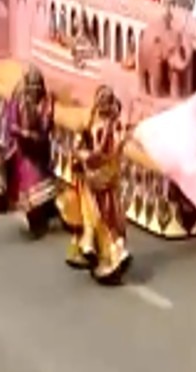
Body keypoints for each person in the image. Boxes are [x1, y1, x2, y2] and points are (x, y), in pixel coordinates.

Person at [60, 85, 133, 284]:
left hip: (104, 180)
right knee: (92, 218)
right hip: (92, 181)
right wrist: (82, 156)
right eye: (101, 101)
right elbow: (80, 146)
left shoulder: (114, 127)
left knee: (106, 220)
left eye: (106, 102)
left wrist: (92, 159)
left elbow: (108, 154)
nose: (103, 105)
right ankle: (92, 251)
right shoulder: (91, 122)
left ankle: (113, 257)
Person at [0, 67, 61, 236]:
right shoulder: (18, 102)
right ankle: (34, 219)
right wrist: (25, 134)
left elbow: (46, 126)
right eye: (31, 84)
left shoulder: (46, 103)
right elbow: (12, 126)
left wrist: (36, 136)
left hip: (40, 152)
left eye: (38, 85)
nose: (35, 88)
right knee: (30, 185)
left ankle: (44, 214)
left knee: (44, 185)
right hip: (23, 153)